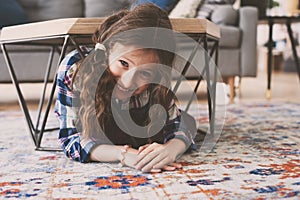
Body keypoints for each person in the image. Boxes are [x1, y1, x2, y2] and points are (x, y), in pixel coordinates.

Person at [54, 3, 196, 173]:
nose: (128, 83)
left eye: (144, 73)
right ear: (107, 52)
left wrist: (171, 148)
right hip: (97, 128)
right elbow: (71, 140)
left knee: (185, 120)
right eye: (123, 63)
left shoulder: (156, 84)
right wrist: (124, 154)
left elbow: (178, 126)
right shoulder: (75, 69)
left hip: (135, 126)